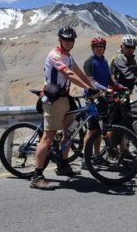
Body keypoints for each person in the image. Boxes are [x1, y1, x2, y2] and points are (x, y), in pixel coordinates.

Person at [30, 27, 97, 190]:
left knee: (70, 130)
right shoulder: (55, 55)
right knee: (48, 137)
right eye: (65, 39)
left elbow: (79, 73)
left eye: (71, 40)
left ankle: (63, 164)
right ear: (60, 40)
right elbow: (69, 74)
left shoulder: (69, 56)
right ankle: (37, 176)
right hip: (53, 100)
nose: (68, 42)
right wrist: (87, 89)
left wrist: (93, 86)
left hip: (65, 98)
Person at [81, 37, 127, 170]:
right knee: (91, 130)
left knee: (100, 130)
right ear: (92, 48)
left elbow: (109, 80)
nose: (99, 48)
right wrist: (106, 89)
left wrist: (119, 86)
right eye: (96, 46)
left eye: (101, 46)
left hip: (103, 99)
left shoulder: (104, 61)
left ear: (104, 48)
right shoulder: (89, 62)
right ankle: (85, 159)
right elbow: (92, 82)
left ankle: (96, 156)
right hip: (92, 99)